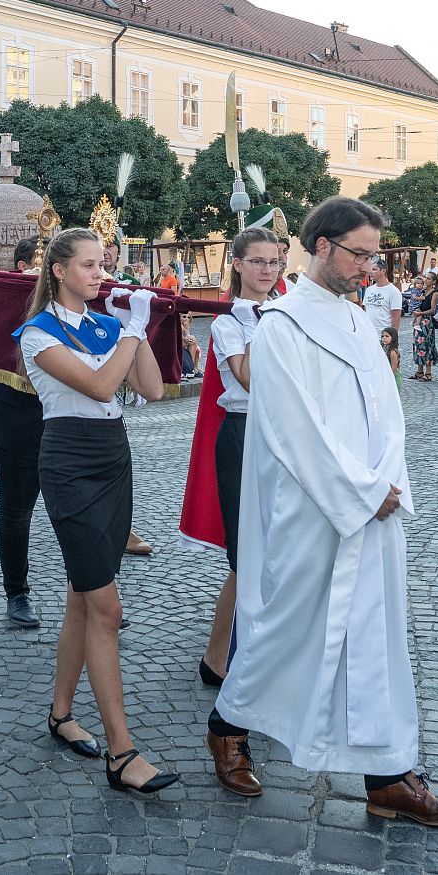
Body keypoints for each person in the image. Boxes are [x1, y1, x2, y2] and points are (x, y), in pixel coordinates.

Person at [205, 196, 438, 828]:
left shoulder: (356, 322)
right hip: (313, 513)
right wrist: (358, 490)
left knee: (376, 640)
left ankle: (389, 776)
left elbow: (388, 412)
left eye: (375, 257)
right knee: (289, 630)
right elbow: (292, 429)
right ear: (321, 247)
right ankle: (227, 725)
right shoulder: (281, 327)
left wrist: (389, 483)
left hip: (373, 507)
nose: (369, 268)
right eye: (359, 254)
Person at [12, 228, 175, 795]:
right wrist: (131, 329)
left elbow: (151, 390)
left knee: (84, 597)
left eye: (102, 264)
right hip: (69, 464)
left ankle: (60, 713)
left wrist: (139, 325)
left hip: (113, 460)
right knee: (105, 606)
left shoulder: (107, 326)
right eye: (87, 266)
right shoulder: (37, 333)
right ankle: (121, 752)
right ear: (58, 271)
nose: (99, 274)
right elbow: (104, 387)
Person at [196, 227, 281, 692]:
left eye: (274, 263)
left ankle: (247, 651)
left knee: (276, 551)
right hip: (243, 433)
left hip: (283, 435)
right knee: (245, 555)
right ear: (237, 263)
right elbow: (247, 378)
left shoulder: (285, 313)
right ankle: (219, 657)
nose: (267, 270)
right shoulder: (230, 321)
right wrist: (268, 326)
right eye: (258, 261)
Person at [0, 237, 46, 629]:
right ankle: (16, 593)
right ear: (23, 266)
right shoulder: (6, 300)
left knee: (71, 513)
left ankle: (93, 591)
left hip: (63, 425)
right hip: (14, 424)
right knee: (17, 510)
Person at [361, 260, 402, 337]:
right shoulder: (369, 290)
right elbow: (365, 310)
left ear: (383, 271)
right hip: (369, 334)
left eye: (374, 269)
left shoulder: (393, 291)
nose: (371, 272)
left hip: (384, 334)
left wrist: (392, 337)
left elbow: (396, 317)